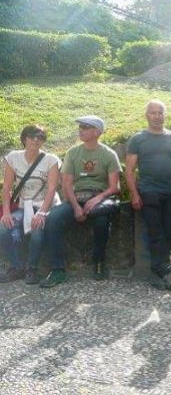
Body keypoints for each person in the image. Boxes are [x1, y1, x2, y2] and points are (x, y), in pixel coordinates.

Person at [40, 116, 121, 287]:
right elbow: (66, 184)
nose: (81, 130)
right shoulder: (73, 153)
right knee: (53, 219)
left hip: (99, 200)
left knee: (101, 221)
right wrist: (76, 207)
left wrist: (96, 199)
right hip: (76, 198)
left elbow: (115, 187)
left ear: (97, 131)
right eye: (80, 127)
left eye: (85, 126)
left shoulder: (108, 154)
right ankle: (57, 270)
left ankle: (99, 262)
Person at [125, 100, 171, 290]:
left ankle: (157, 271)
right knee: (155, 231)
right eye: (153, 112)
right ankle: (167, 271)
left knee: (168, 231)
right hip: (149, 190)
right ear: (147, 115)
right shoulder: (138, 139)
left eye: (160, 112)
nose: (157, 116)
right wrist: (135, 194)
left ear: (165, 115)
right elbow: (129, 170)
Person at [0, 125, 61, 284]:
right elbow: (6, 187)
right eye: (32, 136)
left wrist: (41, 212)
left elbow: (52, 189)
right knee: (3, 227)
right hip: (24, 206)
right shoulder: (13, 157)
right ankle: (16, 267)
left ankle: (32, 268)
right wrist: (6, 212)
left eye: (40, 137)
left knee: (37, 229)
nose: (36, 139)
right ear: (24, 138)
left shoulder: (51, 160)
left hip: (46, 205)